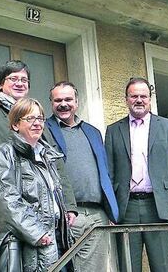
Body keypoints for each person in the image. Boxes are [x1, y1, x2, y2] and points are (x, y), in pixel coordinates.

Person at [0, 60, 75, 235]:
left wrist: (69, 205)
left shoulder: (39, 121)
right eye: (13, 78)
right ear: (0, 84)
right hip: (13, 213)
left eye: (24, 80)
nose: (19, 83)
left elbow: (56, 164)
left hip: (49, 211)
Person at [105, 77, 168, 272]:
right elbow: (109, 172)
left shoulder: (167, 126)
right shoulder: (113, 130)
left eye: (143, 96)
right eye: (134, 96)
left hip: (158, 205)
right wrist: (109, 209)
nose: (139, 100)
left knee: (162, 266)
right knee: (128, 266)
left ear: (150, 99)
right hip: (126, 208)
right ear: (126, 99)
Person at [42, 81, 119, 272]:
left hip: (97, 215)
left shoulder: (92, 132)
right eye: (57, 100)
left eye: (68, 99)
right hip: (67, 215)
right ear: (51, 103)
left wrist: (110, 210)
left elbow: (104, 172)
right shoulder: (44, 130)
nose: (63, 104)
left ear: (77, 102)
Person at [0, 97, 69, 271]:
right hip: (29, 241)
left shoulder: (47, 155)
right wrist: (37, 233)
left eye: (40, 118)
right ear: (15, 124)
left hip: (54, 238)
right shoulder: (6, 152)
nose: (37, 123)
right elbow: (6, 199)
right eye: (30, 119)